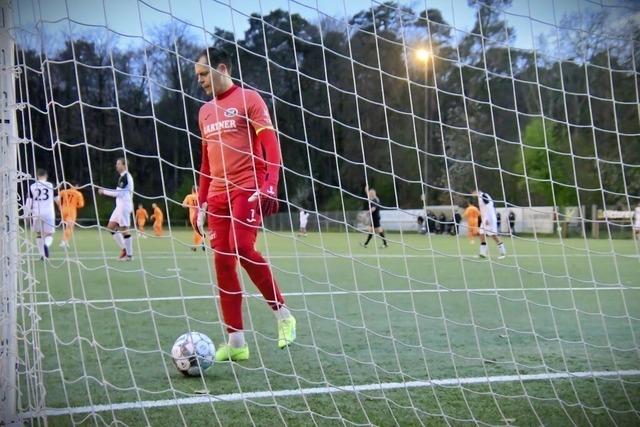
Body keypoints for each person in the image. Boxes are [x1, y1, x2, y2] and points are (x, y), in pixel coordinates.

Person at [193, 46, 295, 362]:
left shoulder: (250, 99)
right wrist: (201, 201)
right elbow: (206, 163)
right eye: (197, 76)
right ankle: (236, 343)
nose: (200, 80)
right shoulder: (204, 112)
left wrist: (271, 184)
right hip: (217, 196)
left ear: (222, 69)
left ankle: (284, 316)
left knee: (241, 246)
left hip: (247, 188)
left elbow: (270, 145)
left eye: (204, 74)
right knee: (223, 262)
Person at [98, 157, 134, 261]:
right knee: (110, 227)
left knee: (125, 229)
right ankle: (124, 249)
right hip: (119, 207)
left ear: (124, 165)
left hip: (124, 206)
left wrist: (103, 191)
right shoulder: (122, 177)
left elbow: (117, 193)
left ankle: (129, 255)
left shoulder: (125, 177)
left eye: (118, 163)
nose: (116, 165)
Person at [25, 168, 61, 260]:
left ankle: (42, 254)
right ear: (46, 176)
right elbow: (57, 199)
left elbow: (28, 201)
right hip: (49, 213)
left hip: (36, 213)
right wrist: (60, 208)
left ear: (37, 176)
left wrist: (26, 215)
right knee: (49, 234)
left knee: (38, 234)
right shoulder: (51, 185)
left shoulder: (32, 186)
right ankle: (46, 244)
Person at [472, 190, 507, 259]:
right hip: (484, 219)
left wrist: (488, 218)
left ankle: (503, 252)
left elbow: (489, 206)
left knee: (493, 235)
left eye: (473, 192)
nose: (472, 194)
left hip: (489, 219)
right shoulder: (480, 197)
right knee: (481, 234)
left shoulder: (484, 196)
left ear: (476, 191)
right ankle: (483, 253)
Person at [58, 182, 85, 248]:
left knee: (68, 226)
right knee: (69, 227)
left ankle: (65, 241)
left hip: (63, 210)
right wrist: (76, 205)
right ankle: (63, 242)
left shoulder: (64, 191)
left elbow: (57, 197)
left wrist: (60, 206)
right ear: (76, 186)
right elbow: (81, 205)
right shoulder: (78, 194)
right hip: (71, 211)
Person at [183, 186, 205, 250]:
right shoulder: (200, 196)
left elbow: (183, 205)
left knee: (196, 230)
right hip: (200, 214)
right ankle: (196, 245)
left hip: (193, 215)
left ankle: (201, 242)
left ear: (192, 190)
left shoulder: (189, 196)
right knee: (199, 228)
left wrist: (189, 205)